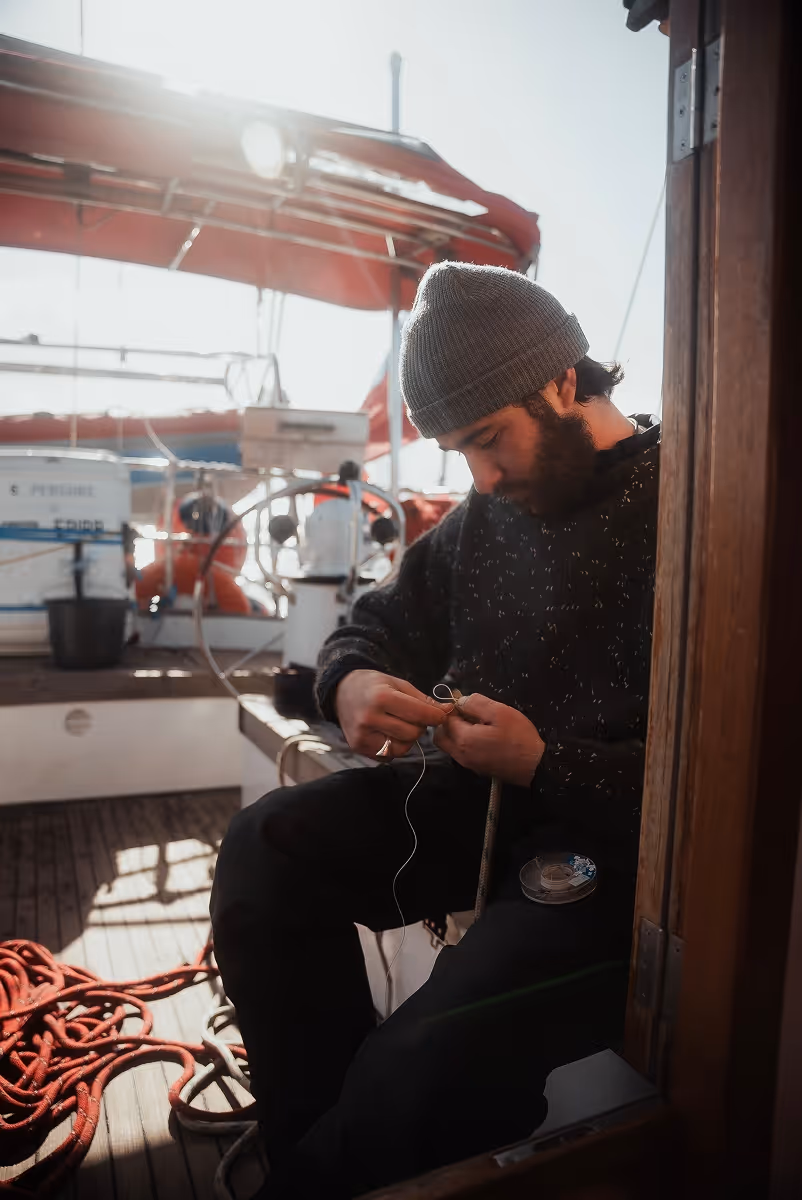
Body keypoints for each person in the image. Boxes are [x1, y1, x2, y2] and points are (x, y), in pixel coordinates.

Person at [211, 262, 660, 1199]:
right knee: (266, 846)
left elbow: (720, 779)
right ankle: (320, 1160)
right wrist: (353, 683)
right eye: (458, 452)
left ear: (566, 381)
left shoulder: (695, 506)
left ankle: (337, 1161)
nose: (481, 478)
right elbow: (369, 625)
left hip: (611, 854)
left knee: (415, 1064)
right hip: (475, 803)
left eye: (488, 440)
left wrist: (547, 761)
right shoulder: (483, 518)